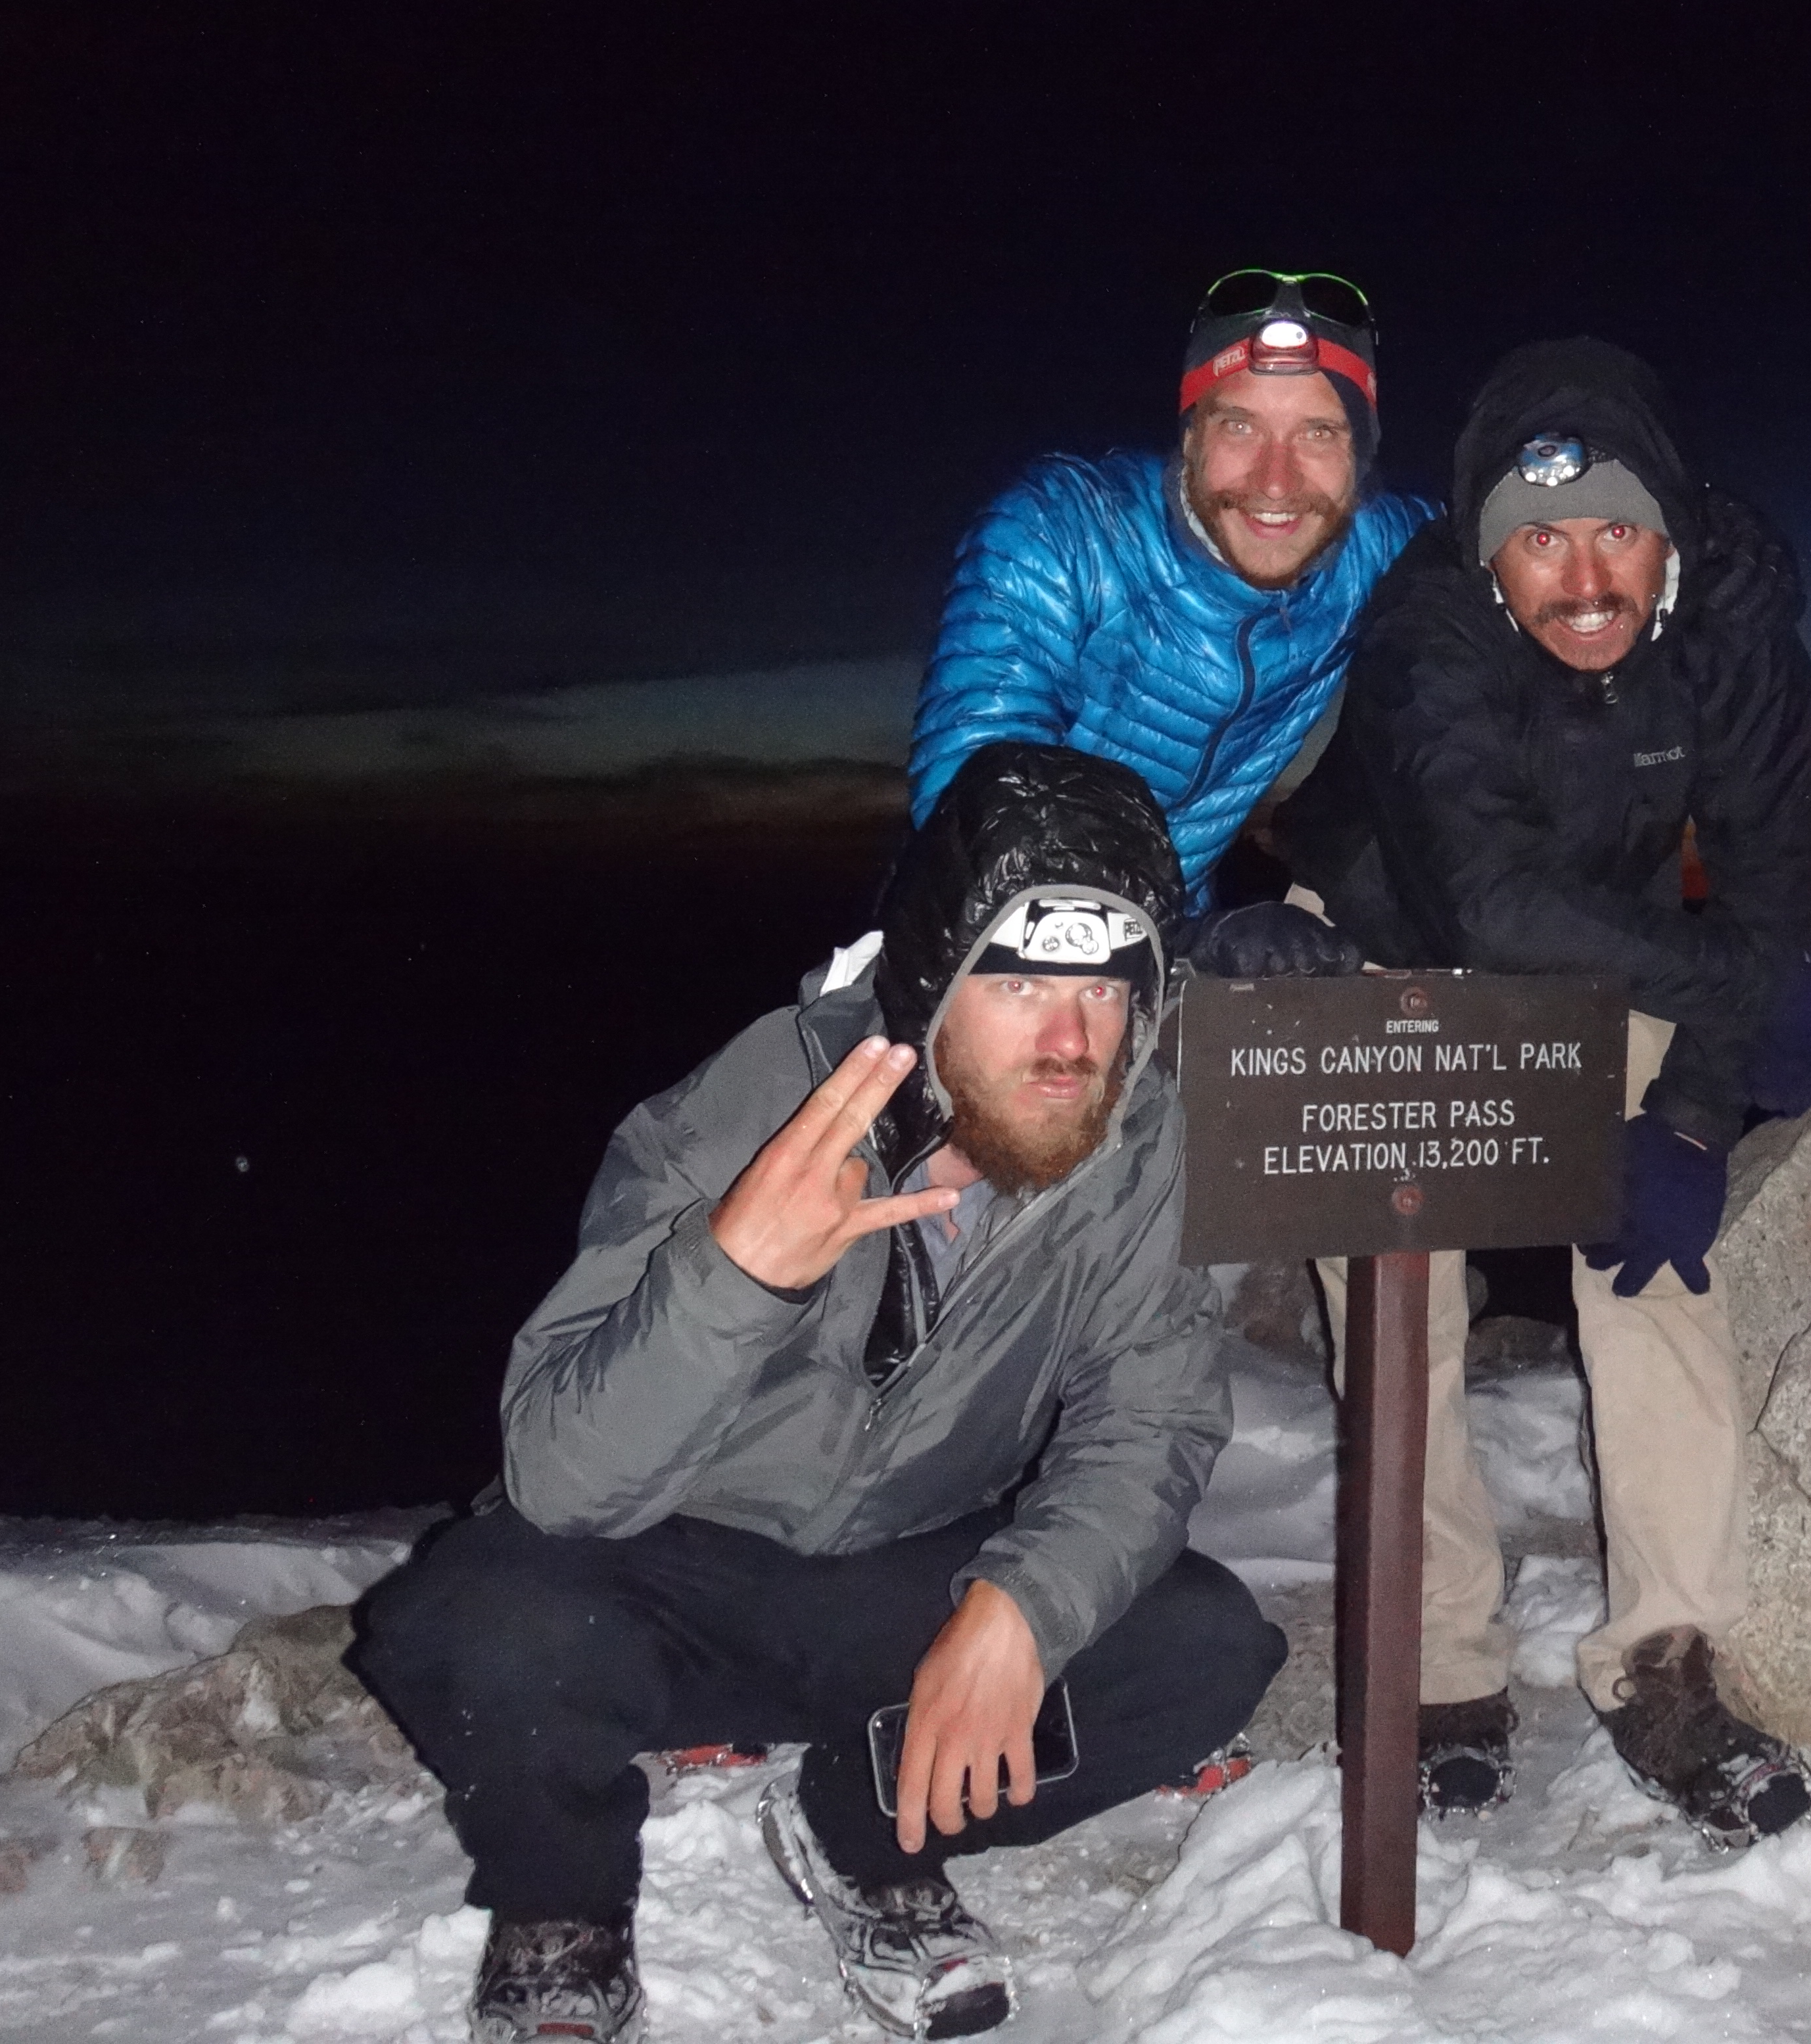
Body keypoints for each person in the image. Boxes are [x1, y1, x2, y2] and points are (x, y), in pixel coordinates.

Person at [353, 744, 1285, 2043]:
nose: (1070, 1041)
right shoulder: (747, 1110)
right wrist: (735, 1274)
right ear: (932, 980)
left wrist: (1023, 1607)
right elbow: (560, 1480)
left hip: (900, 1581)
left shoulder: (1131, 1150)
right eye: (1019, 983)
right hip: (663, 1576)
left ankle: (866, 1831)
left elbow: (1154, 1415)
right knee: (478, 1628)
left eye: (1104, 990)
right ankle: (559, 1902)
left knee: (1205, 1649)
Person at [1272, 337, 1811, 1845]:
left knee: (1663, 1268)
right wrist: (1743, 999)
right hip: (1398, 941)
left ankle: (1668, 1657)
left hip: (1617, 944)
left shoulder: (1735, 628)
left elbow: (1775, 877)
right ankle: (1436, 1664)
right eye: (1540, 540)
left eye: (1617, 530)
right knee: (1396, 1291)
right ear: (1489, 557)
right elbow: (1486, 906)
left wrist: (1695, 1111)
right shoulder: (1425, 637)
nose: (1585, 577)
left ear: (1671, 533)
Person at [908, 269, 1438, 927]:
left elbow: (1511, 549)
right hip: (991, 934)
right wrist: (1165, 938)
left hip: (1180, 925)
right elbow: (975, 795)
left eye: (1318, 433)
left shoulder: (1376, 553)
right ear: (1190, 440)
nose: (1276, 481)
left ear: (1360, 459)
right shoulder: (1063, 532)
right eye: (1239, 426)